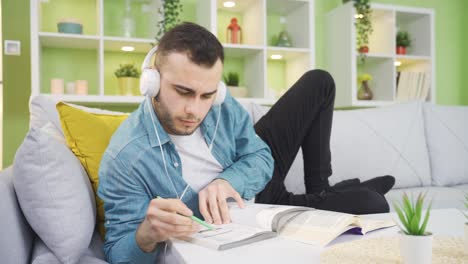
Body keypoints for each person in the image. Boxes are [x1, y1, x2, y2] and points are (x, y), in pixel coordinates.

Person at [98, 22, 394, 263]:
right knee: (373, 203)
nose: (195, 110)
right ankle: (331, 198)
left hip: (254, 186)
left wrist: (230, 181)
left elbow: (261, 156)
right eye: (183, 91)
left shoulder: (221, 106)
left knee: (319, 81)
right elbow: (118, 252)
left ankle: (322, 192)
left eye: (206, 94)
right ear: (151, 82)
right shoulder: (124, 158)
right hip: (261, 210)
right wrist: (147, 234)